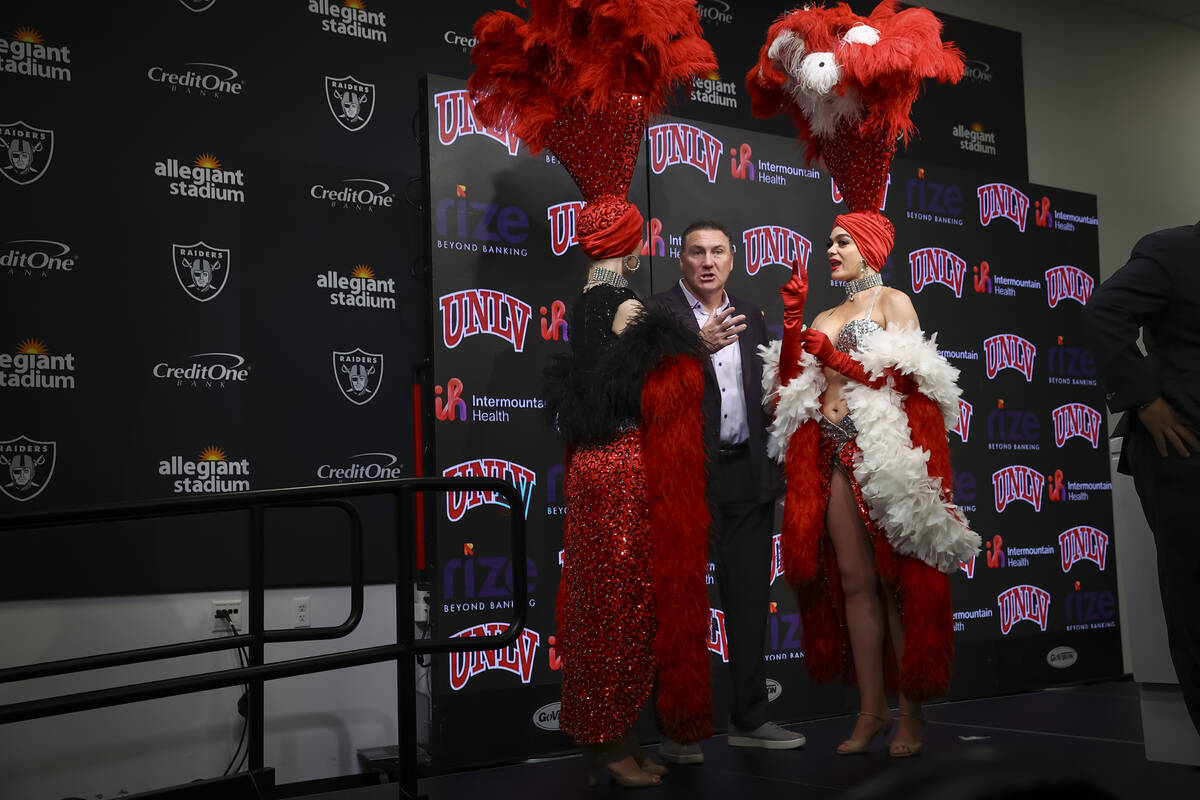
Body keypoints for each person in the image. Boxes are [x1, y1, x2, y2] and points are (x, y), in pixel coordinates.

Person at [469, 0, 718, 788]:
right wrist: (694, 344)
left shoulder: (589, 301)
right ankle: (608, 746)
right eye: (638, 231)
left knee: (605, 610)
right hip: (618, 475)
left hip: (598, 472)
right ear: (629, 238)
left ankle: (609, 736)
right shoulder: (628, 308)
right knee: (613, 612)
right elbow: (634, 387)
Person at [745, 0, 978, 757]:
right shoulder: (827, 307)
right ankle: (870, 712)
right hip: (832, 450)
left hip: (887, 454)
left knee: (895, 582)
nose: (830, 250)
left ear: (871, 245)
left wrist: (839, 355)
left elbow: (915, 381)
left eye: (840, 241)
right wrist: (791, 334)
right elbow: (791, 393)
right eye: (829, 241)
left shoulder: (891, 300)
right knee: (850, 584)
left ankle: (913, 713)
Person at [648, 221, 805, 763]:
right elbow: (643, 392)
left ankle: (750, 717)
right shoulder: (657, 315)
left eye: (718, 251)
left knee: (747, 603)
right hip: (687, 477)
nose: (707, 261)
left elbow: (765, 393)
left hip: (747, 475)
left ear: (733, 259)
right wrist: (696, 347)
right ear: (681, 260)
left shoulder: (751, 313)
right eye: (697, 252)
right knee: (683, 605)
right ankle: (680, 729)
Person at [1085, 221, 1200, 735]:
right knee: (1195, 604)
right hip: (1183, 451)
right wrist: (1144, 401)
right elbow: (1104, 311)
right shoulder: (1173, 250)